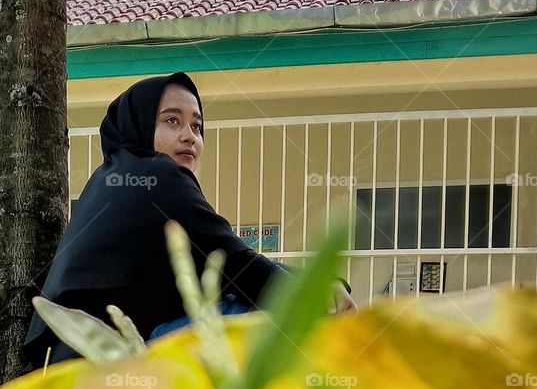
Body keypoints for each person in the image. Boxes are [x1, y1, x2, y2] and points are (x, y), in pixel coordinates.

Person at [22, 71, 354, 371]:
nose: (189, 136)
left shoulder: (115, 177)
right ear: (139, 125)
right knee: (251, 314)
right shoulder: (154, 175)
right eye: (171, 121)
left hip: (63, 368)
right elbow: (237, 267)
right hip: (100, 366)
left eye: (196, 126)